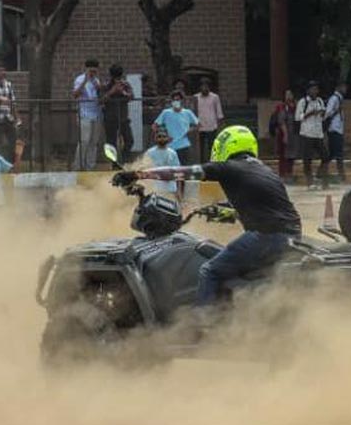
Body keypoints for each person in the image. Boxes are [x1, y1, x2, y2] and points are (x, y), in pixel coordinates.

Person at [115, 125, 302, 308]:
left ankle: (202, 320)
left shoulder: (231, 168)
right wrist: (215, 211)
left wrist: (138, 174)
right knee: (232, 268)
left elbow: (181, 172)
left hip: (266, 236)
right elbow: (261, 207)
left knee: (209, 271)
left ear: (227, 146)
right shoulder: (264, 171)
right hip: (291, 235)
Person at [71, 59, 104, 171]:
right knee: (84, 140)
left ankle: (90, 166)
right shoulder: (79, 79)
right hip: (84, 113)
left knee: (94, 142)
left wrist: (98, 87)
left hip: (96, 113)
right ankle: (78, 165)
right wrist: (85, 81)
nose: (93, 73)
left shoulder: (97, 81)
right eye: (91, 71)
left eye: (95, 71)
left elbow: (100, 96)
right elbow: (75, 95)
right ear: (86, 69)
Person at [295, 81, 328, 188]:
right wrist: (310, 113)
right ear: (308, 90)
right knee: (307, 159)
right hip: (307, 133)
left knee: (325, 156)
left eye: (316, 89)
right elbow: (298, 117)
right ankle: (310, 182)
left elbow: (324, 116)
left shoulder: (320, 101)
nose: (315, 91)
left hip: (318, 133)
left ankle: (320, 176)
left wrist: (322, 113)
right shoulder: (303, 102)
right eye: (313, 89)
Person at [153, 90, 199, 165]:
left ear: (182, 101)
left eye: (177, 99)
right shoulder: (166, 112)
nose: (175, 102)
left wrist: (189, 131)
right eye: (173, 100)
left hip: (184, 145)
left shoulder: (187, 112)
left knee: (184, 167)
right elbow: (155, 126)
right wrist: (163, 135)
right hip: (170, 146)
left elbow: (198, 125)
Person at [102, 64, 135, 165]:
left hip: (123, 117)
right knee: (111, 143)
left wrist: (123, 92)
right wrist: (112, 91)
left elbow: (132, 97)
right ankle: (114, 163)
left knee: (129, 140)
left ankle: (125, 160)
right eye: (115, 77)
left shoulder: (125, 84)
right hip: (110, 118)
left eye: (119, 77)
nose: (117, 79)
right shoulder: (106, 85)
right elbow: (101, 100)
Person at [144, 128, 183, 200]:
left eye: (164, 136)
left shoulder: (173, 153)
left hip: (171, 190)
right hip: (155, 191)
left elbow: (179, 173)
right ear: (155, 138)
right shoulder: (149, 153)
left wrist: (179, 190)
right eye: (159, 136)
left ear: (168, 138)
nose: (162, 138)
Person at [194, 78, 225, 165]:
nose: (204, 88)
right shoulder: (195, 97)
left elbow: (219, 112)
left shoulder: (215, 97)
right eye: (203, 86)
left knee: (212, 146)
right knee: (200, 147)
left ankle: (212, 163)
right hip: (200, 126)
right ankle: (201, 163)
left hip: (212, 125)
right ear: (200, 87)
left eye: (206, 86)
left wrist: (220, 124)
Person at [324, 81, 347, 183]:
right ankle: (341, 175)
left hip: (338, 129)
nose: (345, 89)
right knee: (338, 154)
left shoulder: (339, 99)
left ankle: (322, 172)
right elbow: (328, 113)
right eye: (343, 87)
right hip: (334, 129)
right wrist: (336, 111)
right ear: (338, 87)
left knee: (333, 153)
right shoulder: (334, 99)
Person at [271, 89, 297, 181]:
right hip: (283, 134)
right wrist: (285, 135)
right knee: (283, 155)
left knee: (292, 155)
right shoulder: (281, 107)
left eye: (290, 94)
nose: (289, 97)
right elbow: (281, 121)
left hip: (293, 134)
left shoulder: (295, 107)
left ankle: (290, 173)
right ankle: (282, 174)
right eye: (287, 95)